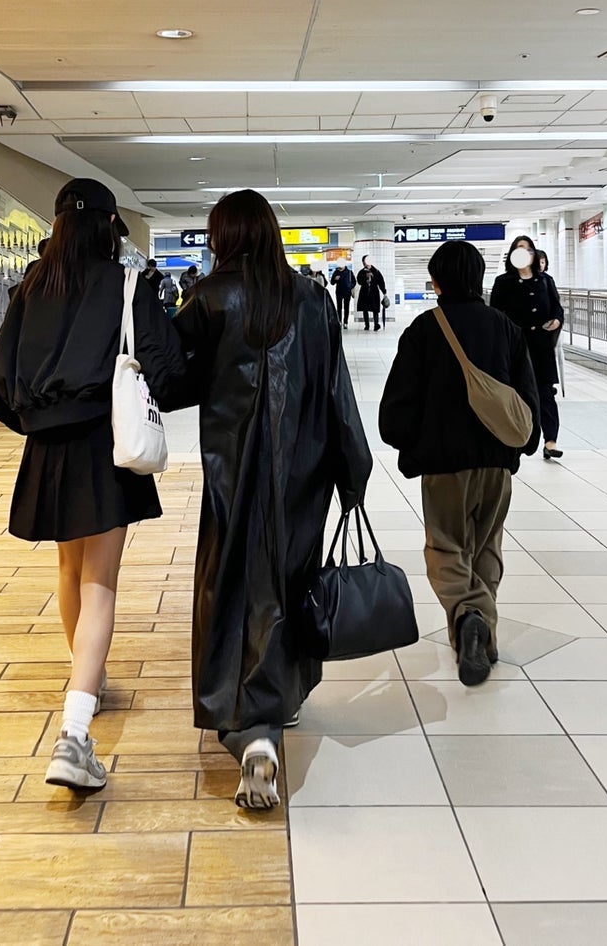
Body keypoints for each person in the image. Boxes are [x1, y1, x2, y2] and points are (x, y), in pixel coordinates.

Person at [170, 189, 372, 810]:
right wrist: (353, 470)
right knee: (286, 584)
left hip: (231, 474)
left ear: (223, 237)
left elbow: (173, 383)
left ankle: (251, 731)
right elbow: (337, 390)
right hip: (302, 474)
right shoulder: (310, 298)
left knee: (230, 589)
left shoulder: (207, 298)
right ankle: (277, 704)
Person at [0, 178, 185, 791]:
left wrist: (38, 423)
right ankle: (74, 734)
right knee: (100, 583)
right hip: (102, 444)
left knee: (70, 573)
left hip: (47, 449)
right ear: (109, 227)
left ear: (57, 227)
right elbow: (168, 370)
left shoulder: (29, 287)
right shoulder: (126, 284)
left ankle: (86, 680)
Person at [379, 241, 540, 686]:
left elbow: (397, 411)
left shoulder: (424, 330)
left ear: (436, 282)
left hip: (444, 464)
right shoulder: (506, 328)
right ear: (479, 279)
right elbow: (528, 396)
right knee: (486, 547)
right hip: (496, 463)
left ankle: (469, 617)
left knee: (446, 547)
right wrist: (522, 447)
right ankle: (482, 637)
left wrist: (409, 443)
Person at [490, 236, 564, 460]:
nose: (524, 252)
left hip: (542, 347)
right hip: (516, 348)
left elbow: (557, 308)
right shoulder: (504, 282)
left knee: (545, 393)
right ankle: (517, 440)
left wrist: (556, 320)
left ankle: (550, 441)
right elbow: (495, 314)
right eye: (519, 249)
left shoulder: (545, 281)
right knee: (517, 394)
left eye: (528, 249)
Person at [356, 254, 387, 331]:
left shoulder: (376, 271)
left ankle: (376, 325)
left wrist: (384, 291)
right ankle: (367, 325)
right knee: (365, 309)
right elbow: (359, 281)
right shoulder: (361, 272)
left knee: (375, 309)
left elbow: (381, 282)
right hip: (364, 292)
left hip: (374, 292)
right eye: (363, 261)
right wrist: (365, 277)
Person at [330, 259, 356, 328]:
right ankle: (339, 321)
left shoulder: (349, 272)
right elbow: (332, 282)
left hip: (347, 292)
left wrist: (350, 286)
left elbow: (354, 282)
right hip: (339, 292)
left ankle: (345, 322)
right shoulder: (336, 272)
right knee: (339, 308)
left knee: (346, 308)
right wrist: (335, 279)